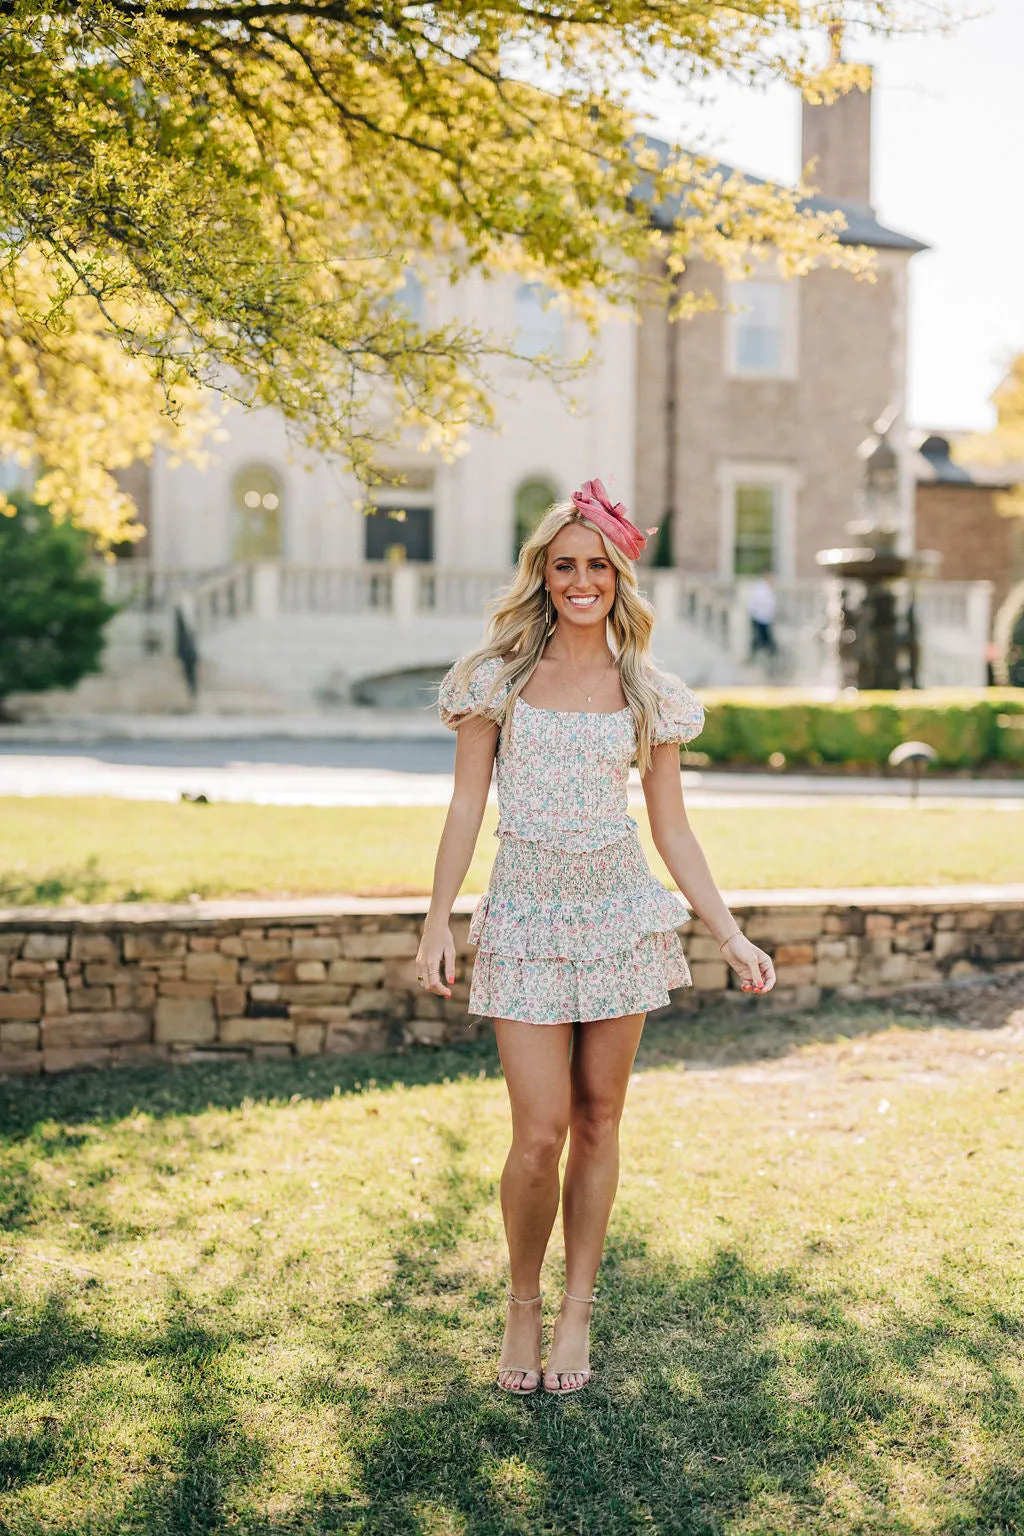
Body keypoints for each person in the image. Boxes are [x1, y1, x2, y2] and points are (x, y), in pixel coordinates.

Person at [416, 478, 776, 1398]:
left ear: (619, 576)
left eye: (597, 566)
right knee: (538, 1135)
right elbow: (465, 806)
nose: (581, 581)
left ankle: (578, 1309)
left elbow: (673, 828)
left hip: (620, 915)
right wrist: (438, 920)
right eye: (564, 564)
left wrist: (728, 933)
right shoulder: (493, 681)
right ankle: (523, 1305)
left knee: (599, 1118)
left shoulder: (650, 694)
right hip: (527, 917)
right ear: (542, 574)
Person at [746, 572, 778, 659]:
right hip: (760, 617)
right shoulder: (761, 589)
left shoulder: (765, 588)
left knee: (762, 638)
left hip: (764, 617)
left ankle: (767, 654)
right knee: (761, 638)